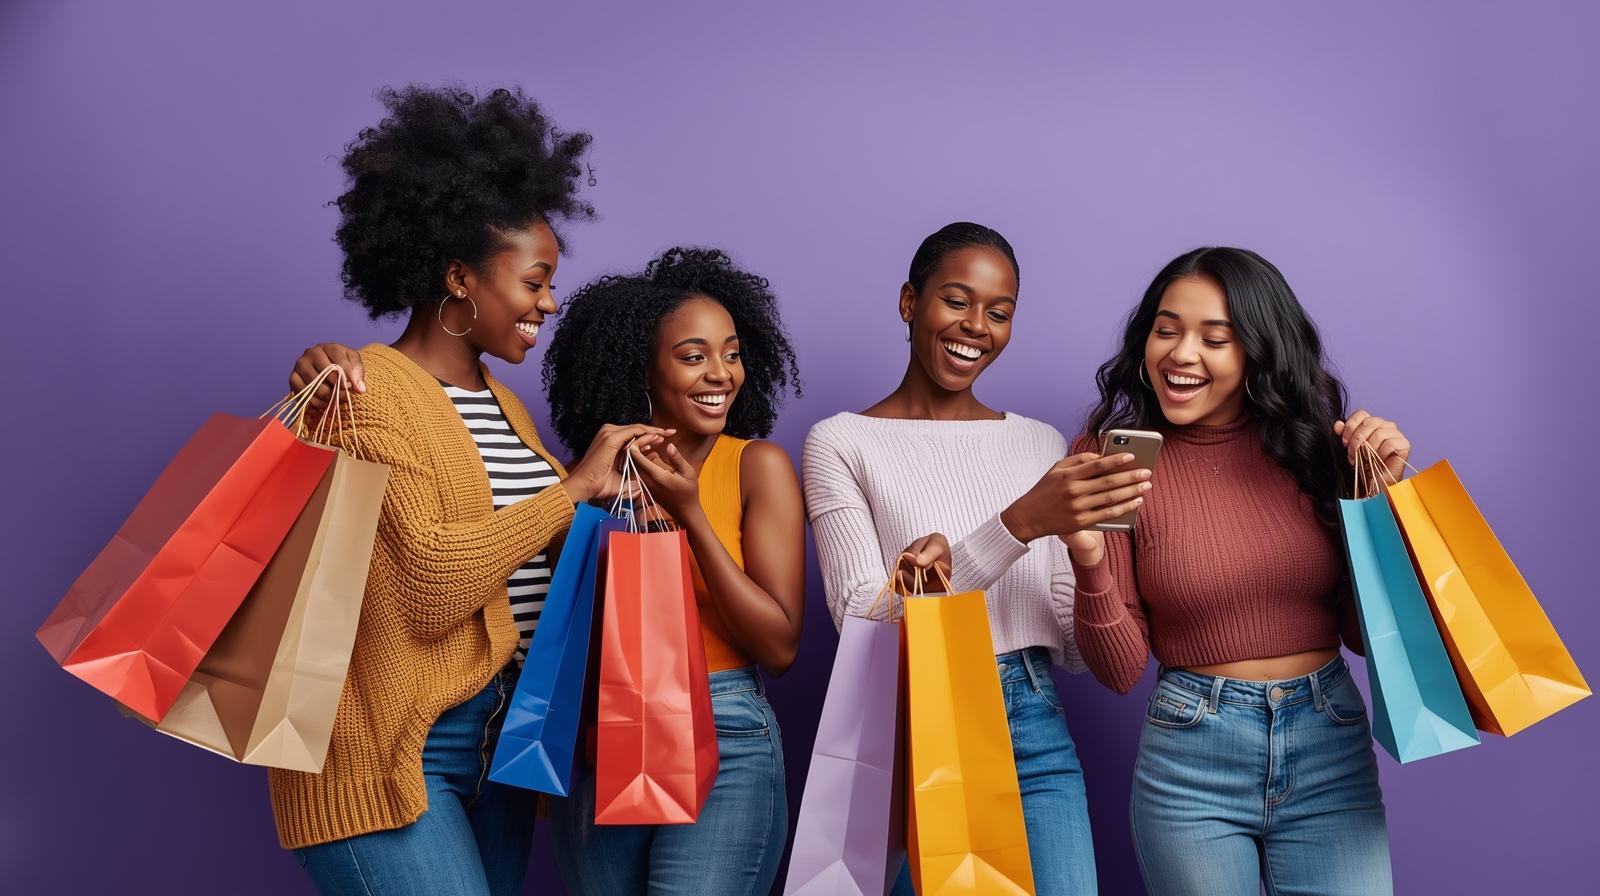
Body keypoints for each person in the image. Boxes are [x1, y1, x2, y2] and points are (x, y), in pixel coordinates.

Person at [277, 85, 664, 896]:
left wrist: (613, 506)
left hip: (501, 741)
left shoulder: (505, 405)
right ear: (459, 277)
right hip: (393, 748)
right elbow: (428, 585)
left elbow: (527, 562)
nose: (549, 303)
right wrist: (573, 489)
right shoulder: (366, 392)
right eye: (535, 281)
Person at [802, 222, 1145, 895]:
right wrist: (1016, 526)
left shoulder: (1040, 444)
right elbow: (860, 621)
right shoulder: (840, 442)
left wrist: (1088, 556)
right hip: (921, 724)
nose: (976, 326)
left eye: (999, 312)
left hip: (1036, 720)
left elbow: (1077, 652)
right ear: (910, 302)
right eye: (956, 301)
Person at [1065, 246, 1406, 895]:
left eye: (1214, 339)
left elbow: (1363, 637)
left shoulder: (1320, 451)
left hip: (1328, 741)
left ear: (1256, 349)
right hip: (1192, 757)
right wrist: (1086, 558)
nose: (1181, 354)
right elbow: (1118, 671)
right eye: (1166, 330)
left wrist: (1375, 508)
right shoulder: (1113, 462)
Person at [540, 247, 806, 895]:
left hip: (726, 730)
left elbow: (778, 647)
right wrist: (581, 508)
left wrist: (689, 515)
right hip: (604, 732)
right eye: (693, 356)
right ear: (642, 369)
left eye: (732, 353)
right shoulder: (585, 479)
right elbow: (559, 630)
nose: (721, 374)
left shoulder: (756, 467)